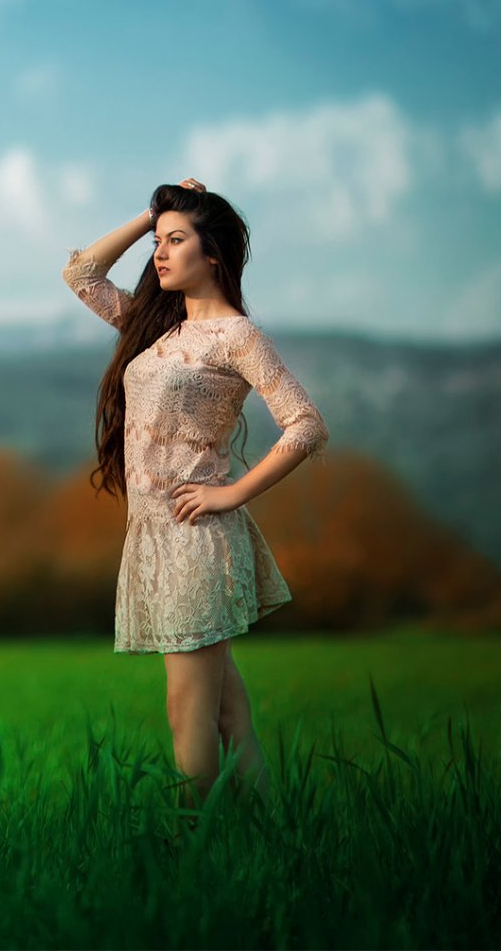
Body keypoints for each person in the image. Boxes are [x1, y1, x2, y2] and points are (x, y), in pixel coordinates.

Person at [61, 177, 329, 832]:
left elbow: (305, 424)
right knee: (229, 716)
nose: (158, 252)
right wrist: (150, 212)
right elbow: (80, 273)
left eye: (174, 240)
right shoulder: (154, 329)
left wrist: (231, 491)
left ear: (213, 253)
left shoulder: (236, 337)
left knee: (187, 710)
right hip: (151, 536)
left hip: (193, 537)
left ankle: (194, 844)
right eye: (157, 241)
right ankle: (272, 838)